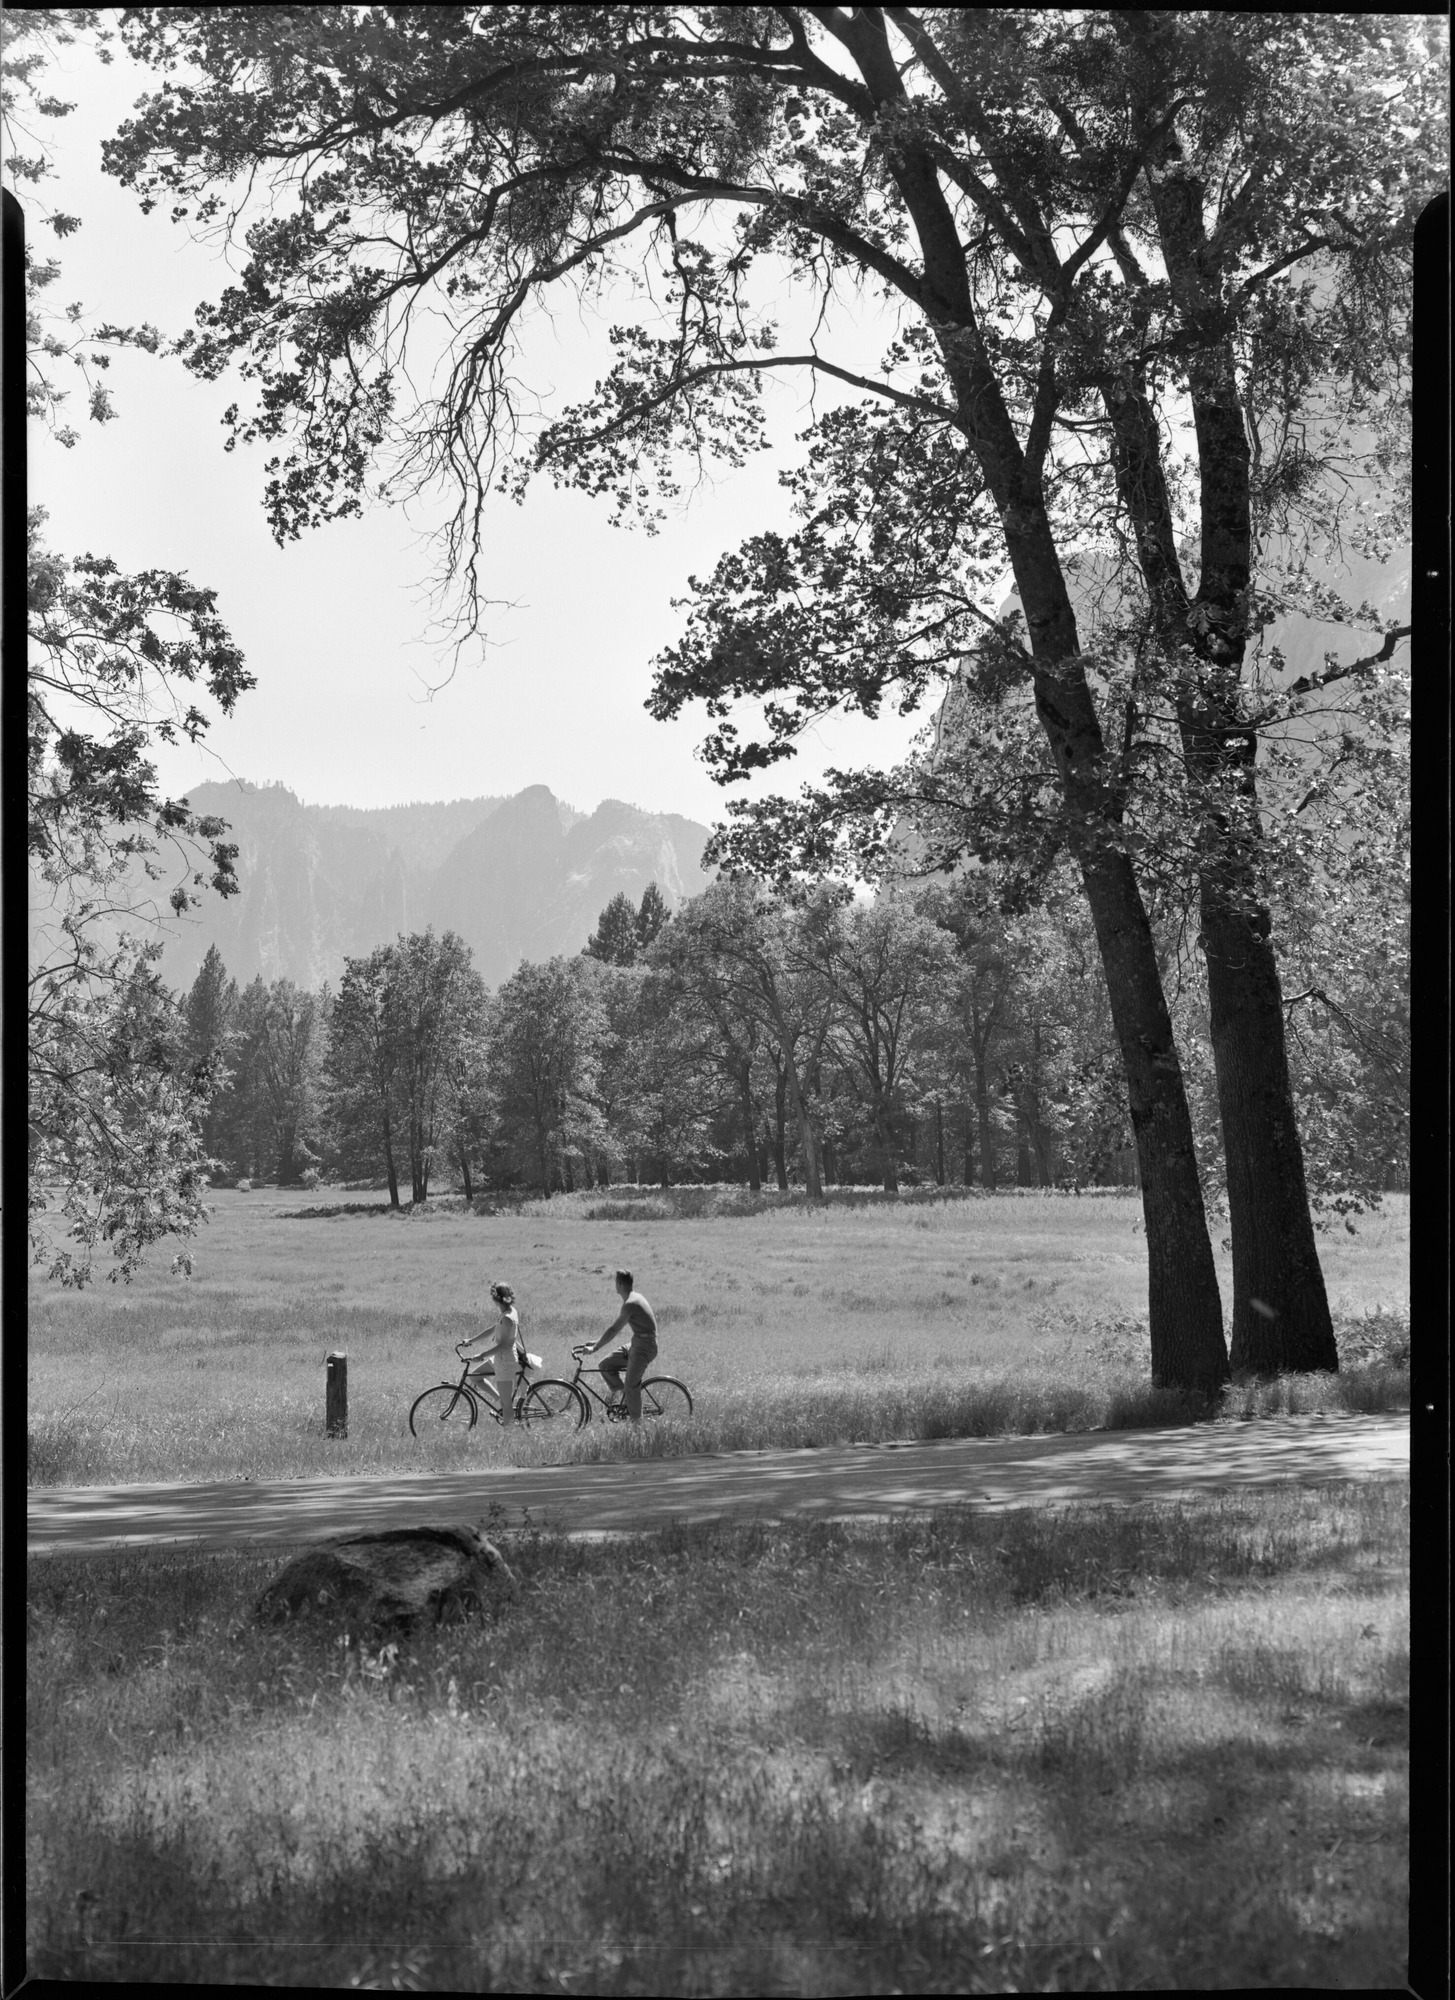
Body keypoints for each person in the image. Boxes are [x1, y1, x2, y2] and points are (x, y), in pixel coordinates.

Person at [577, 1269, 657, 1421]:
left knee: (631, 1385)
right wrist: (597, 1341)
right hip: (637, 1343)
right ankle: (626, 1400)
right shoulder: (634, 1297)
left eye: (615, 1283)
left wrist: (595, 1348)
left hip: (644, 1347)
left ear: (619, 1284)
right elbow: (615, 1329)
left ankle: (636, 1426)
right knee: (605, 1365)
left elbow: (614, 1329)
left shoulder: (630, 1303)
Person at [460, 1281, 523, 1427]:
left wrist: (482, 1354)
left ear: (496, 1298)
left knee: (507, 1405)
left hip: (506, 1362)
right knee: (474, 1377)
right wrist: (471, 1340)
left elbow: (504, 1345)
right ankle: (499, 1402)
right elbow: (492, 1330)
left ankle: (509, 1436)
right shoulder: (507, 1312)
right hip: (499, 1359)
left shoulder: (508, 1318)